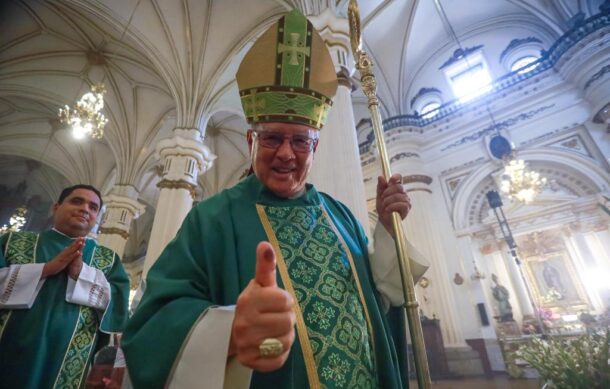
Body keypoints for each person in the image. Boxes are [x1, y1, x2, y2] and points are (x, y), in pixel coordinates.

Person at [122, 9, 428, 389]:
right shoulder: (213, 218)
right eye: (272, 138)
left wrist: (386, 227)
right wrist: (229, 332)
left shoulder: (341, 216)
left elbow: (383, 300)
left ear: (314, 148)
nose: (287, 153)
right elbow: (153, 320)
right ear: (251, 142)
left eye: (301, 141)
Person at [0, 184, 130, 388]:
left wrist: (82, 275)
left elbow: (118, 307)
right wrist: (46, 269)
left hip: (70, 359)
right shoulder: (12, 241)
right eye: (77, 201)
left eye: (93, 207)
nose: (85, 209)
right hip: (10, 345)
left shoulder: (108, 260)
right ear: (56, 207)